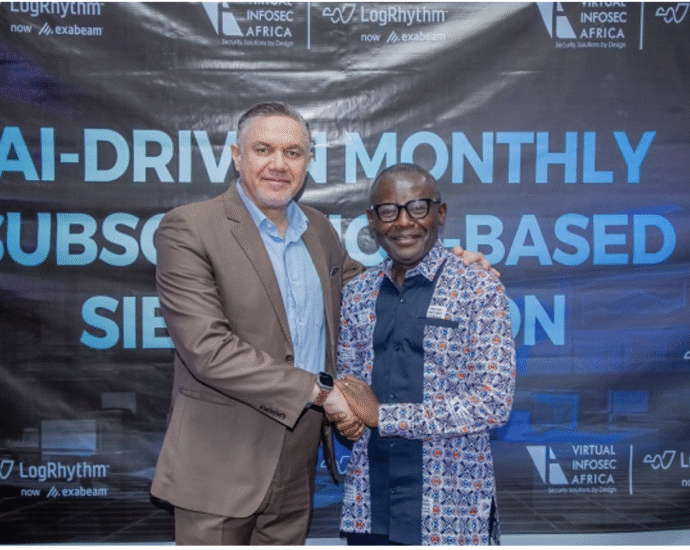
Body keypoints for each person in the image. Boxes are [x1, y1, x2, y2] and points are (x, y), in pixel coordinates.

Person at [151, 102, 493, 545]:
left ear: (308, 162)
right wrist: (322, 393)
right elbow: (207, 350)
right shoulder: (190, 228)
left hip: (299, 459)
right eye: (263, 149)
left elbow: (374, 288)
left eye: (293, 152)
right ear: (237, 156)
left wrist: (452, 266)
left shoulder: (317, 230)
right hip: (221, 461)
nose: (279, 164)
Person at [333, 163, 516, 545]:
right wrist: (347, 417)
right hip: (370, 510)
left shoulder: (478, 288)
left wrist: (384, 417)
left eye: (417, 207)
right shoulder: (357, 294)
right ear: (372, 221)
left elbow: (493, 403)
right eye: (389, 211)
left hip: (451, 514)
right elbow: (350, 389)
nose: (404, 222)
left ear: (440, 213)